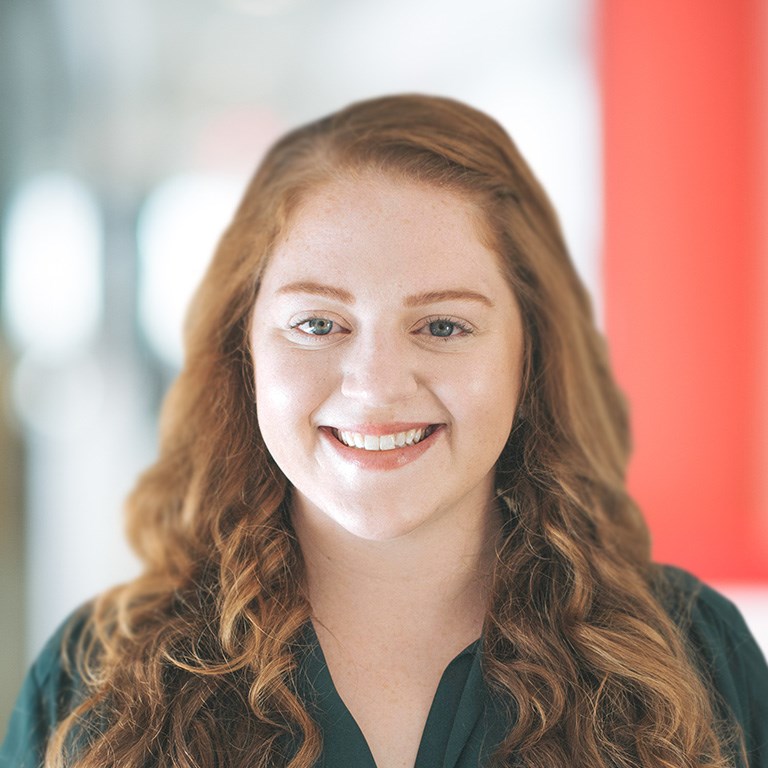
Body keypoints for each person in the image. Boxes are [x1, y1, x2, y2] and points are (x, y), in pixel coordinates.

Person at [2, 94, 767, 768]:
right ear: (244, 353)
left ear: (530, 354)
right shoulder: (93, 680)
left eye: (441, 324)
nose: (374, 385)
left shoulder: (695, 655)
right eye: (317, 323)